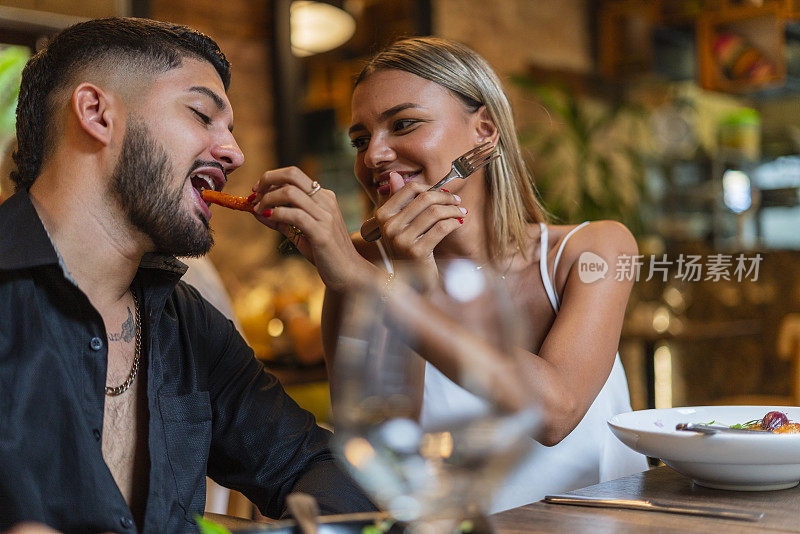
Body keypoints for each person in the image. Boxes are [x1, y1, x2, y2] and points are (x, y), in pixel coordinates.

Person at [0, 17, 374, 533]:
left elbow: (329, 472)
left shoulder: (188, 324)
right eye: (202, 114)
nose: (235, 154)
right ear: (96, 113)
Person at [250, 36, 647, 513]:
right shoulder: (363, 269)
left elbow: (554, 413)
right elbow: (389, 464)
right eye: (360, 139)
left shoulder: (593, 248)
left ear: (484, 131)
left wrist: (371, 286)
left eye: (404, 124)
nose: (374, 155)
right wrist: (406, 279)